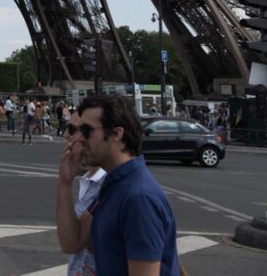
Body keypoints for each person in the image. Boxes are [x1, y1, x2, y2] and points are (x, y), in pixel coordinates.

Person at [57, 94, 179, 275]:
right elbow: (72, 242)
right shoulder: (113, 184)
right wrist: (65, 183)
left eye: (87, 130)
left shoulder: (139, 198)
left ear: (116, 134)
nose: (80, 139)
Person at [63, 109, 106, 275]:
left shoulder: (107, 185)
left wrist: (64, 183)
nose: (67, 135)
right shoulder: (89, 180)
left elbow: (72, 242)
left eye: (74, 129)